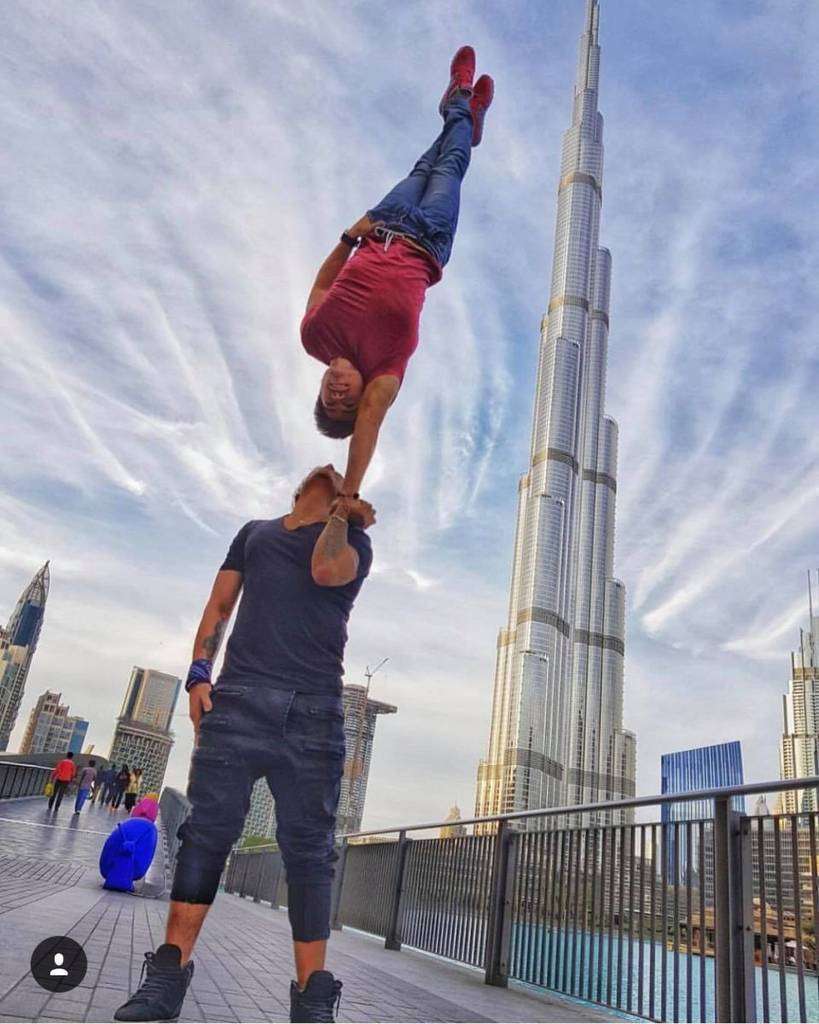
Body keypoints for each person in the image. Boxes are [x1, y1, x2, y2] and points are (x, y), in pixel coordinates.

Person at [115, 465, 374, 1024]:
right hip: (237, 701)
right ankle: (168, 974)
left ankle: (312, 1000)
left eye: (339, 470)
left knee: (309, 854)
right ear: (298, 484)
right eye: (322, 466)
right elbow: (219, 605)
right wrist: (199, 674)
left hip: (314, 712)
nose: (330, 466)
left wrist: (341, 516)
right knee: (206, 834)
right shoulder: (255, 532)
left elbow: (327, 570)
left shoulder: (354, 539)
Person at [301, 47, 493, 505]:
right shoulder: (386, 372)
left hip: (382, 224)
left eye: (329, 400)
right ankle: (463, 101)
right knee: (450, 165)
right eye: (345, 403)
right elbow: (369, 423)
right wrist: (349, 491)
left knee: (426, 164)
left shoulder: (315, 337)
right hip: (430, 241)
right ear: (361, 396)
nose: (337, 393)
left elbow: (323, 284)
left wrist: (349, 237)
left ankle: (464, 111)